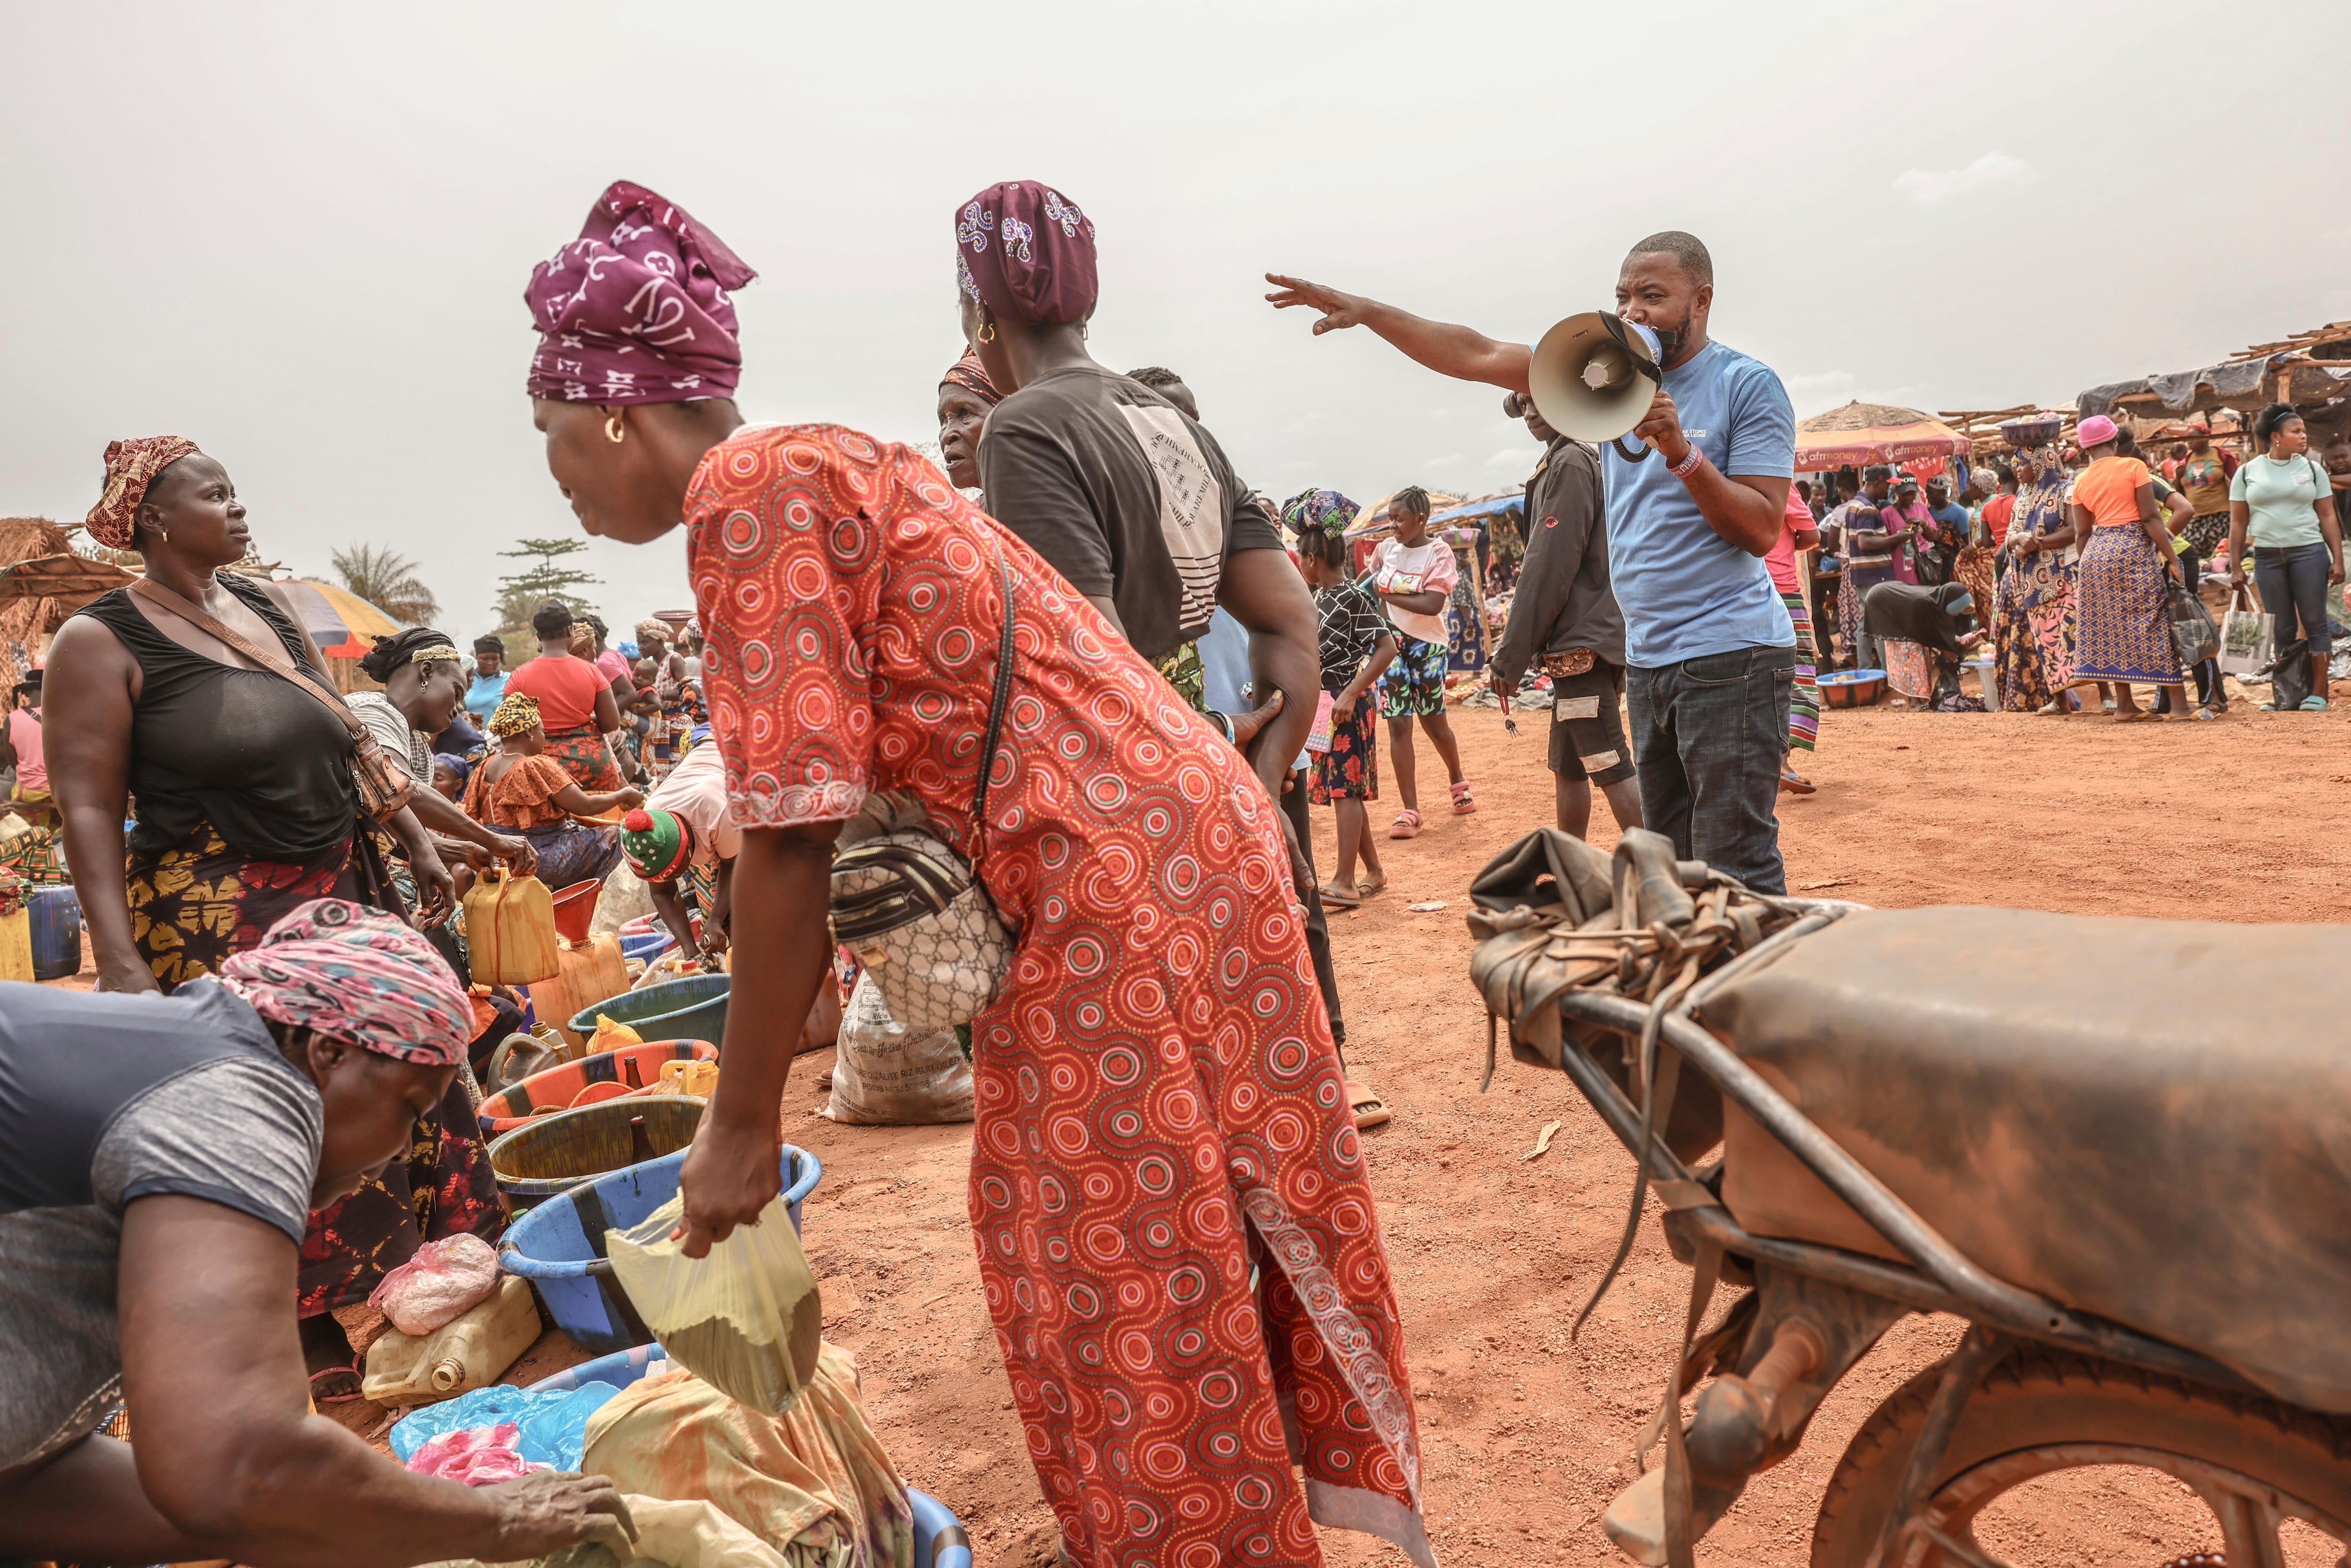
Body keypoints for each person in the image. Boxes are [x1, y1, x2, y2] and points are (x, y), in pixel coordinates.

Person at [522, 178, 1431, 1568]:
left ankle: (1192, 1542)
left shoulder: (746, 494)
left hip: (1100, 879)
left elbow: (788, 833)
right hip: (1196, 832)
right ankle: (1217, 1518)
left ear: (610, 410)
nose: (560, 479)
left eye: (552, 441)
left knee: (1105, 1255)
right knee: (1180, 1212)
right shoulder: (838, 455)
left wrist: (741, 1121)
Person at [0, 899, 636, 1568]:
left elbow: (30, 1487)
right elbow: (241, 1466)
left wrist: (349, 1515)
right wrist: (492, 1520)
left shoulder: (191, 1065)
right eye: (411, 1108)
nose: (399, 1152)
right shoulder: (239, 1097)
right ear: (329, 1049)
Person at [1268, 229, 1797, 889]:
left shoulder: (1746, 385)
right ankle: (1700, 993)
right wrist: (1369, 311)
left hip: (1732, 656)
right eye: (1624, 296)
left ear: (1703, 299)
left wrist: (1683, 455)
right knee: (1679, 862)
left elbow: (1761, 526)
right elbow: (1478, 351)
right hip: (1653, 660)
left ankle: (1753, 991)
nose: (1632, 312)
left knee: (1736, 861)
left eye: (1654, 297)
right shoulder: (1609, 377)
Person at [47, 438, 453, 995]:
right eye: (216, 495)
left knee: (383, 1066)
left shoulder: (269, 602)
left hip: (345, 888)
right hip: (215, 919)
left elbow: (349, 741)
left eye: (235, 493)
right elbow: (90, 808)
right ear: (153, 517)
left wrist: (416, 841)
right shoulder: (98, 640)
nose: (238, 508)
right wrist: (117, 959)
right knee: (265, 1075)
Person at [1486, 390, 1645, 833]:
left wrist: (1510, 655)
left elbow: (1547, 565)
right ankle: (1569, 871)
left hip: (1581, 642)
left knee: (1608, 761)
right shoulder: (1572, 459)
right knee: (1571, 765)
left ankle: (1664, 878)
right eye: (1523, 405)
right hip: (1584, 639)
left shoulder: (1570, 462)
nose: (1531, 412)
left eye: (1539, 400)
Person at [347, 628, 537, 880]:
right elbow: (398, 787)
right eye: (457, 693)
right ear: (426, 672)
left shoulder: (411, 738)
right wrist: (491, 839)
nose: (458, 710)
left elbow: (398, 827)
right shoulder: (371, 711)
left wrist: (463, 850)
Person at [1289, 497, 1396, 903]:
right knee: (1343, 787)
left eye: (1301, 557)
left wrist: (1352, 691)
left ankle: (1346, 881)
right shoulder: (1320, 598)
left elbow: (1386, 647)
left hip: (1347, 706)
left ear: (1313, 558)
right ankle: (1374, 871)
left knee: (1344, 791)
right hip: (1328, 707)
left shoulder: (1351, 596)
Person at [2065, 414, 2186, 721]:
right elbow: (2150, 517)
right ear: (2115, 441)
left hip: (2096, 552)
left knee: (2110, 628)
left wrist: (2087, 567)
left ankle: (2125, 705)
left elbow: (2082, 533)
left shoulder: (2080, 480)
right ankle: (2181, 705)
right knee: (2154, 620)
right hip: (2132, 548)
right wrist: (2172, 558)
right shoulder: (2134, 467)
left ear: (2085, 449)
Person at [1366, 487, 1473, 835]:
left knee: (1433, 719)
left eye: (1400, 519)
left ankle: (1458, 782)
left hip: (1428, 645)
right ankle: (1410, 810)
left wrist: (1387, 593)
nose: (1393, 525)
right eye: (1391, 518)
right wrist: (1381, 613)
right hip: (1388, 645)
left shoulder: (1439, 553)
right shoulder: (1385, 551)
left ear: (1421, 519)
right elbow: (1369, 592)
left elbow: (1432, 605)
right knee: (1398, 723)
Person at [2229, 402, 2344, 712]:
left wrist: (2338, 559)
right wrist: (2237, 564)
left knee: (2315, 622)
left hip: (2309, 552)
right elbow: (2238, 521)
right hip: (2267, 557)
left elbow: (2328, 516)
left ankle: (2318, 694)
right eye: (2296, 431)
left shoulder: (2312, 469)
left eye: (2304, 431)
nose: (2304, 436)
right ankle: (2287, 695)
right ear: (2276, 436)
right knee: (2282, 627)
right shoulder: (2247, 472)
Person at [464, 693, 640, 887]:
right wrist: (624, 794)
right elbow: (585, 806)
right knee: (615, 837)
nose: (544, 737)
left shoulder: (485, 767)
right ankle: (591, 896)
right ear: (530, 731)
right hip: (535, 858)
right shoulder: (534, 766)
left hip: (497, 858)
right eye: (542, 731)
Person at [502, 599, 626, 791]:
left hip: (542, 769)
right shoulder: (592, 672)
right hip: (590, 766)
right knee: (601, 820)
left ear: (539, 636)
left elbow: (509, 728)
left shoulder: (519, 677)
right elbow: (611, 723)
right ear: (570, 632)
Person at [1765, 486, 1822, 791]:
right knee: (1796, 676)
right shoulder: (1781, 486)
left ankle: (1762, 766)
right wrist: (1785, 545)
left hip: (1740, 596)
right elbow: (1812, 537)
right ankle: (1782, 764)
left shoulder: (1730, 478)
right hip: (1784, 593)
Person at [1862, 581, 1984, 708]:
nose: (1958, 614)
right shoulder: (1922, 603)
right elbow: (1919, 633)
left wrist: (1957, 640)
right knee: (1912, 651)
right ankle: (1915, 702)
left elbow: (1933, 629)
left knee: (1919, 650)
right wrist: (1943, 649)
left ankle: (1920, 699)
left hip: (1896, 604)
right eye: (1958, 610)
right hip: (1880, 603)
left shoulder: (1937, 602)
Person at [936, 349, 1002, 494]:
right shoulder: (967, 515)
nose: (947, 436)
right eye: (944, 420)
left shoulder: (1055, 504)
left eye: (965, 413)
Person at [2176, 430, 2238, 567]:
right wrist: (2177, 478)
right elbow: (2179, 493)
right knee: (2195, 558)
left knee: (2220, 558)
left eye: (2194, 438)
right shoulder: (2187, 460)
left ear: (2206, 438)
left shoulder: (2221, 455)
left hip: (2220, 516)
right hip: (2195, 518)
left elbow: (2237, 481)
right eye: (2188, 439)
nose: (2189, 442)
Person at [0, 673, 49, 826]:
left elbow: (13, 762)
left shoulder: (11, 719)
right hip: (60, 787)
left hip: (29, 791)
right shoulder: (62, 712)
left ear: (26, 693)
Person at [1918, 477, 1970, 587]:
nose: (1928, 496)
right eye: (1927, 493)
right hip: (1933, 563)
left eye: (1931, 493)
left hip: (1953, 563)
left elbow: (1966, 542)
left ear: (1942, 492)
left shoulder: (1959, 512)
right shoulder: (1928, 512)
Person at [461, 633, 509, 723]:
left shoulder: (509, 680)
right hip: (469, 735)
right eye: (484, 659)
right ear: (477, 657)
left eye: (495, 659)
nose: (490, 663)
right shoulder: (467, 680)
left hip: (498, 736)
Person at [1981, 465, 2019, 550]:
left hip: (2000, 557)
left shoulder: (1986, 507)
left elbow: (1986, 543)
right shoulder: (2019, 502)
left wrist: (2000, 541)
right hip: (2018, 554)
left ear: (1999, 482)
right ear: (2017, 481)